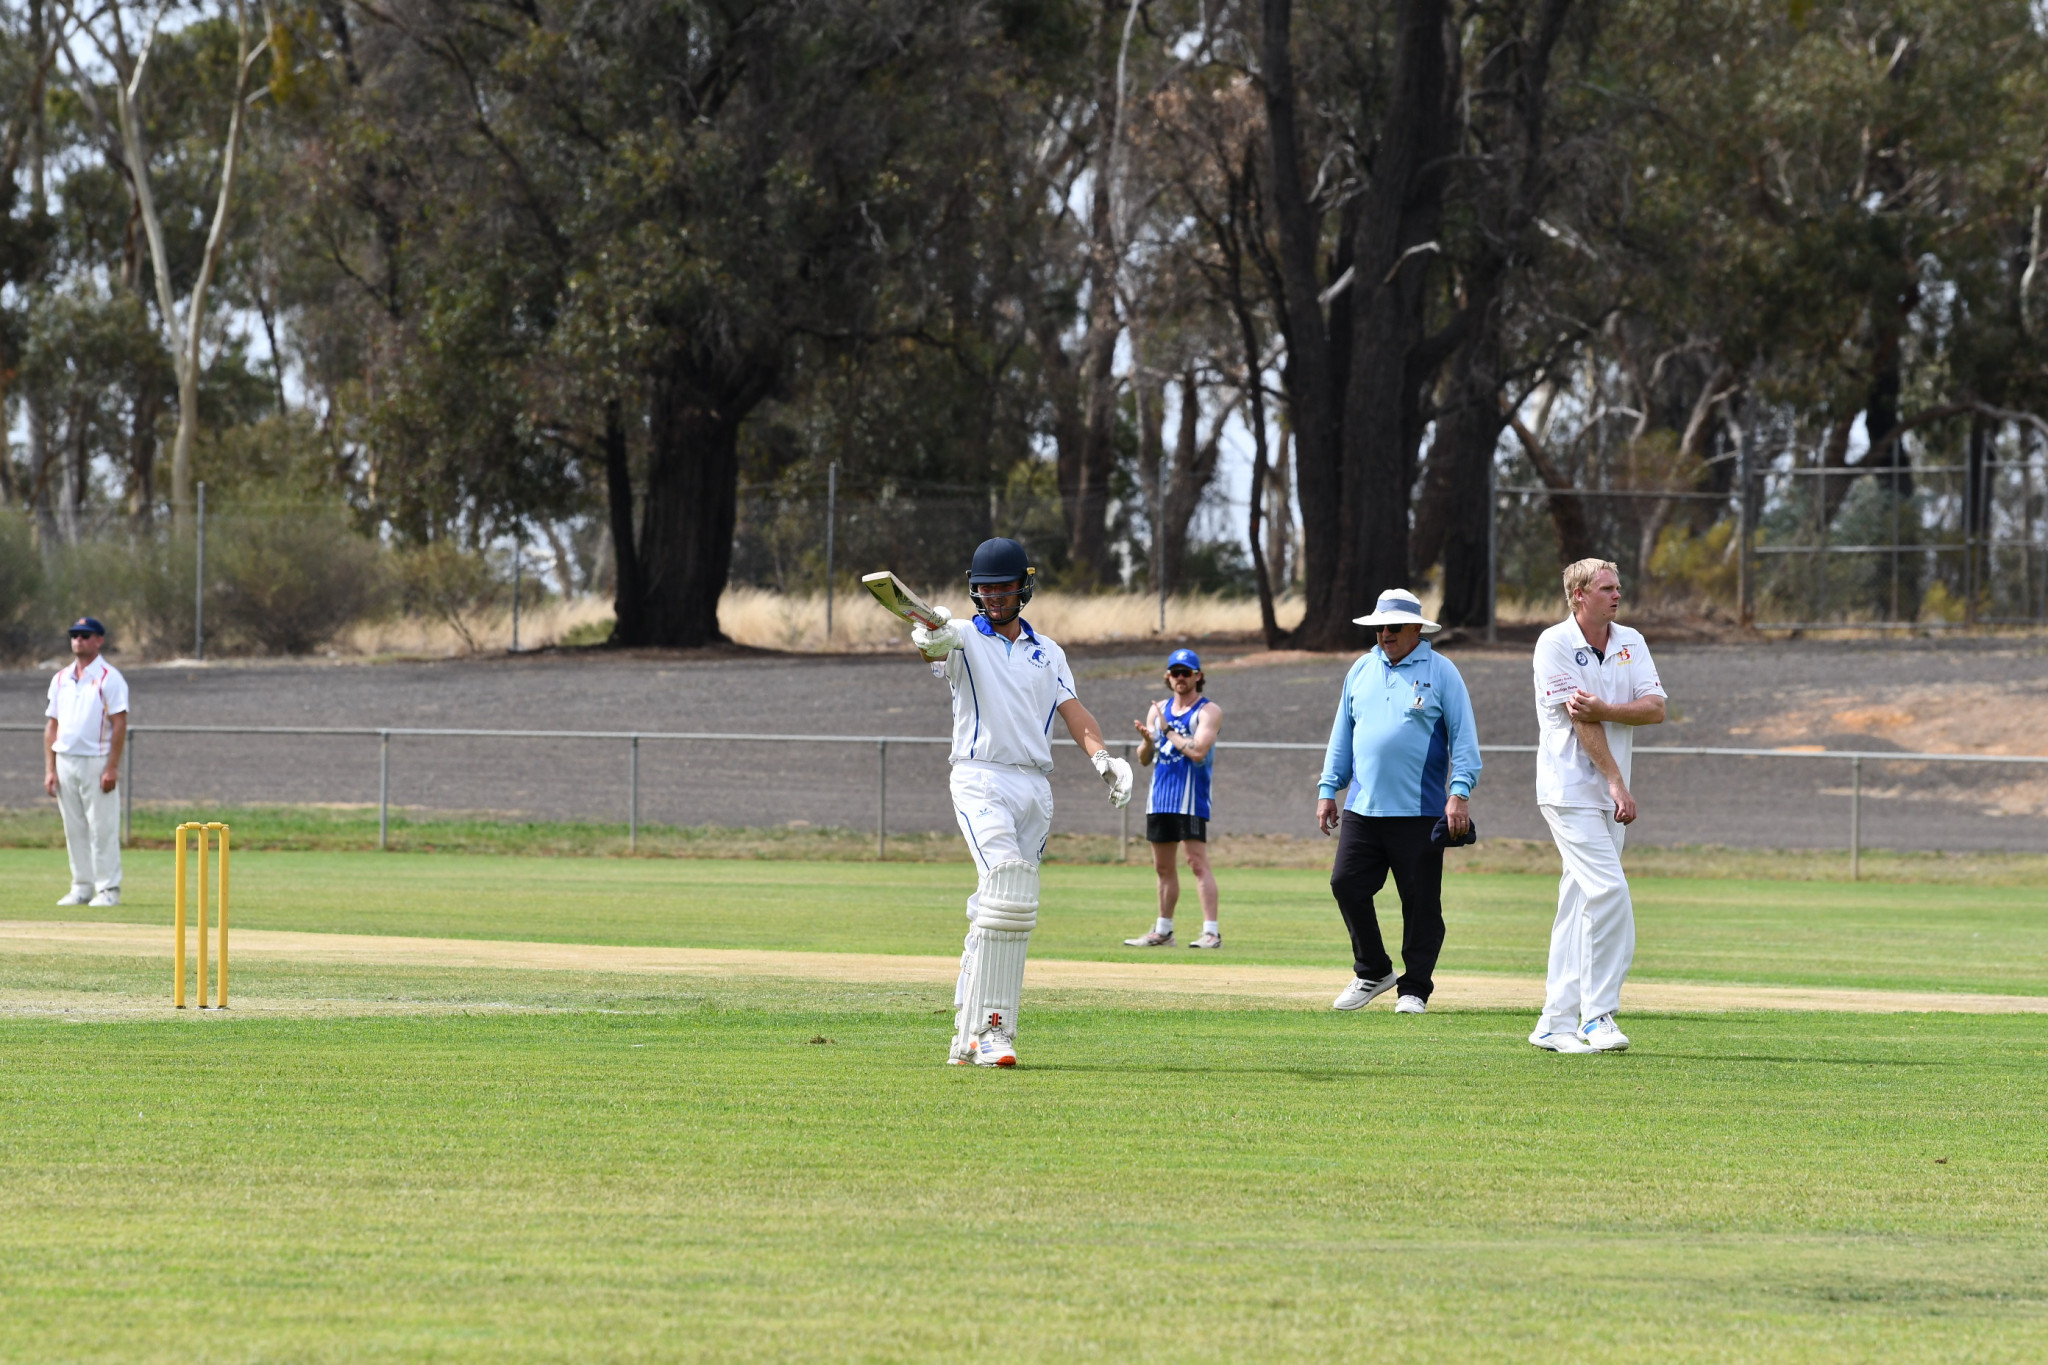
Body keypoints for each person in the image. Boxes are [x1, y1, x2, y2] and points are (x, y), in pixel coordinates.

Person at [909, 538, 1133, 1067]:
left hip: (1035, 787)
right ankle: (994, 1031)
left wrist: (1103, 758)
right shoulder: (961, 636)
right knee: (1006, 887)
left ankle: (964, 1034)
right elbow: (932, 649)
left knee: (1003, 907)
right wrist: (929, 633)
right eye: (983, 588)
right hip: (979, 777)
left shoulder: (1047, 651)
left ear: (1022, 587)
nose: (992, 596)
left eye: (1002, 587)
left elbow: (1072, 709)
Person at [1315, 589, 1481, 1016]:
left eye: (1392, 627)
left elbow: (1464, 740)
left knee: (1421, 903)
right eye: (1378, 627)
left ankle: (1414, 989)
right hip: (1362, 808)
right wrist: (1328, 788)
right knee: (1345, 884)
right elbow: (1342, 735)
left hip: (1422, 811)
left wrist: (1458, 793)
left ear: (1415, 630)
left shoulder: (1442, 672)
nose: (1383, 634)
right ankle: (1373, 970)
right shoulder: (1361, 669)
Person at [1528, 559, 1667, 1054]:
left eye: (1618, 587)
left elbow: (1655, 708)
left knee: (1580, 900)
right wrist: (1615, 781)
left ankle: (1553, 1021)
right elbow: (1579, 722)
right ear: (1579, 596)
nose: (1617, 595)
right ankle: (1598, 1015)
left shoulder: (1631, 641)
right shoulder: (1555, 643)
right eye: (1607, 588)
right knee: (1609, 892)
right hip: (1570, 791)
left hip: (1611, 795)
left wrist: (1607, 709)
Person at [1123, 648, 1224, 949]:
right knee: (1162, 867)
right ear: (1168, 677)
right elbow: (1144, 760)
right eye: (1175, 673)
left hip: (1190, 799)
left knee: (1196, 862)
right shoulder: (1157, 709)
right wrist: (1146, 741)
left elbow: (1198, 752)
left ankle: (1211, 932)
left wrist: (1167, 731)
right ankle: (1164, 930)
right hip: (1160, 798)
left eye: (1187, 672)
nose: (1181, 678)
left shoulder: (1208, 711)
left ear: (1198, 676)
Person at [44, 617, 129, 908]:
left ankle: (108, 889)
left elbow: (120, 723)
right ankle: (81, 886)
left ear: (99, 640)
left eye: (85, 635)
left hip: (97, 761)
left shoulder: (109, 677)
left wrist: (112, 766)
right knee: (74, 828)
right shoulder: (60, 679)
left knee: (102, 827)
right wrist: (50, 769)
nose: (78, 640)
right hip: (66, 760)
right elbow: (51, 726)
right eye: (74, 635)